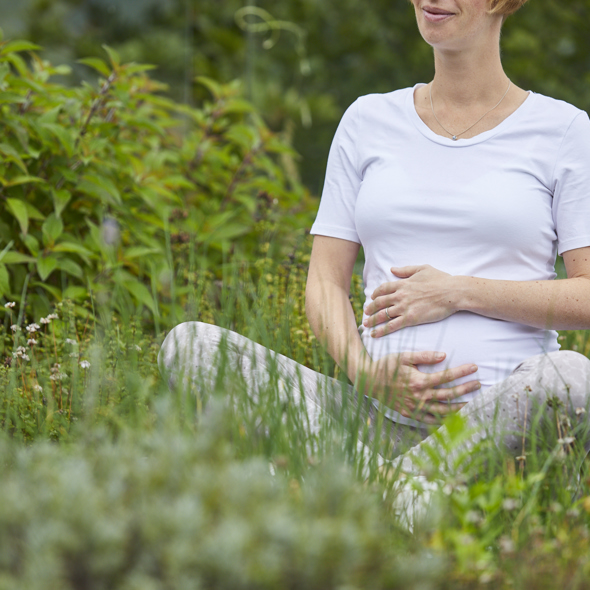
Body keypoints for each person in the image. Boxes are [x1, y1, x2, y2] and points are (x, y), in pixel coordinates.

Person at [159, 0, 590, 473]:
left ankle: (372, 494)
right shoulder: (367, 120)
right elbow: (325, 282)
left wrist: (459, 292)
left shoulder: (563, 131)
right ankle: (403, 493)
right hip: (369, 419)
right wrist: (365, 374)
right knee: (190, 346)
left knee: (572, 378)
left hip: (496, 428)